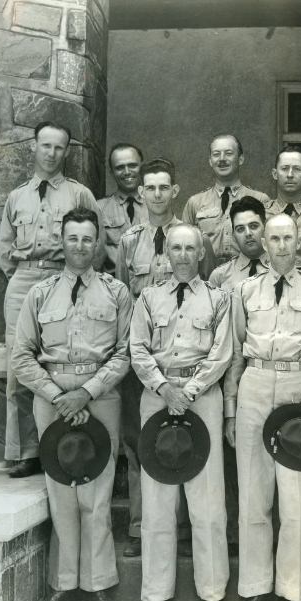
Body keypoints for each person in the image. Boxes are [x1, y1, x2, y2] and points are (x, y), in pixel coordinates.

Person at [12, 207, 130, 601]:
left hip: (100, 395)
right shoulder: (40, 293)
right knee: (61, 490)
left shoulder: (116, 293)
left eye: (87, 239)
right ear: (62, 242)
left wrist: (88, 392)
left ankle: (97, 585)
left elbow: (125, 352)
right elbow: (22, 357)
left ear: (97, 244)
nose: (80, 247)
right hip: (52, 397)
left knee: (96, 493)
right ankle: (64, 584)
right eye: (73, 238)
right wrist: (56, 394)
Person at [225, 214, 301, 601]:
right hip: (255, 382)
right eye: (275, 238)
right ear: (264, 244)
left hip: (296, 389)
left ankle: (291, 590)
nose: (282, 245)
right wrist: (231, 411)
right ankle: (254, 590)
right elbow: (235, 352)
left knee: (295, 498)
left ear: (299, 240)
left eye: (289, 238)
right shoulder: (245, 290)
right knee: (254, 495)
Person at [129, 224, 233, 601]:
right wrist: (163, 388)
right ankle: (155, 591)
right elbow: (137, 348)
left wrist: (189, 391)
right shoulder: (149, 298)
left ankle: (212, 591)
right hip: (157, 398)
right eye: (177, 248)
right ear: (166, 254)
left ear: (202, 253)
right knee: (157, 499)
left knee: (207, 499)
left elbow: (223, 351)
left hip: (202, 397)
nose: (184, 255)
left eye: (191, 248)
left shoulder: (219, 299)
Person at [115, 158, 212, 558]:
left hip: (184, 353)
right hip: (145, 357)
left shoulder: (187, 237)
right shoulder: (128, 241)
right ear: (141, 193)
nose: (156, 194)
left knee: (188, 440)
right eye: (149, 187)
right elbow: (124, 296)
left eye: (163, 187)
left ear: (175, 192)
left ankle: (185, 531)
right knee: (142, 443)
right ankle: (142, 528)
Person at [0, 120, 106, 479]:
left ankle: (61, 443)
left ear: (66, 152)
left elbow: (97, 244)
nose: (52, 153)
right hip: (24, 279)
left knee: (62, 360)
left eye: (59, 147)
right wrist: (21, 276)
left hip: (65, 278)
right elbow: (3, 251)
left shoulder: (79, 194)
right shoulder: (17, 196)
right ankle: (26, 452)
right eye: (46, 145)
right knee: (20, 366)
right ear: (35, 147)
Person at [182, 134, 269, 263]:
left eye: (228, 153)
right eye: (216, 154)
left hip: (247, 275)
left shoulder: (260, 199)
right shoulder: (195, 203)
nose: (222, 159)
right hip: (206, 276)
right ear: (210, 161)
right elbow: (184, 244)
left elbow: (269, 243)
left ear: (240, 159)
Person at [97, 143, 147, 273]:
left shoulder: (156, 204)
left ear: (142, 167)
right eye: (120, 167)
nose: (127, 172)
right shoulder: (99, 209)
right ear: (112, 172)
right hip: (113, 286)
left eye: (132, 165)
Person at [208, 196, 270, 292]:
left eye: (253, 226)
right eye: (240, 229)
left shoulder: (282, 268)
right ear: (234, 234)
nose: (248, 233)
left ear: (265, 227)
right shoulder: (219, 277)